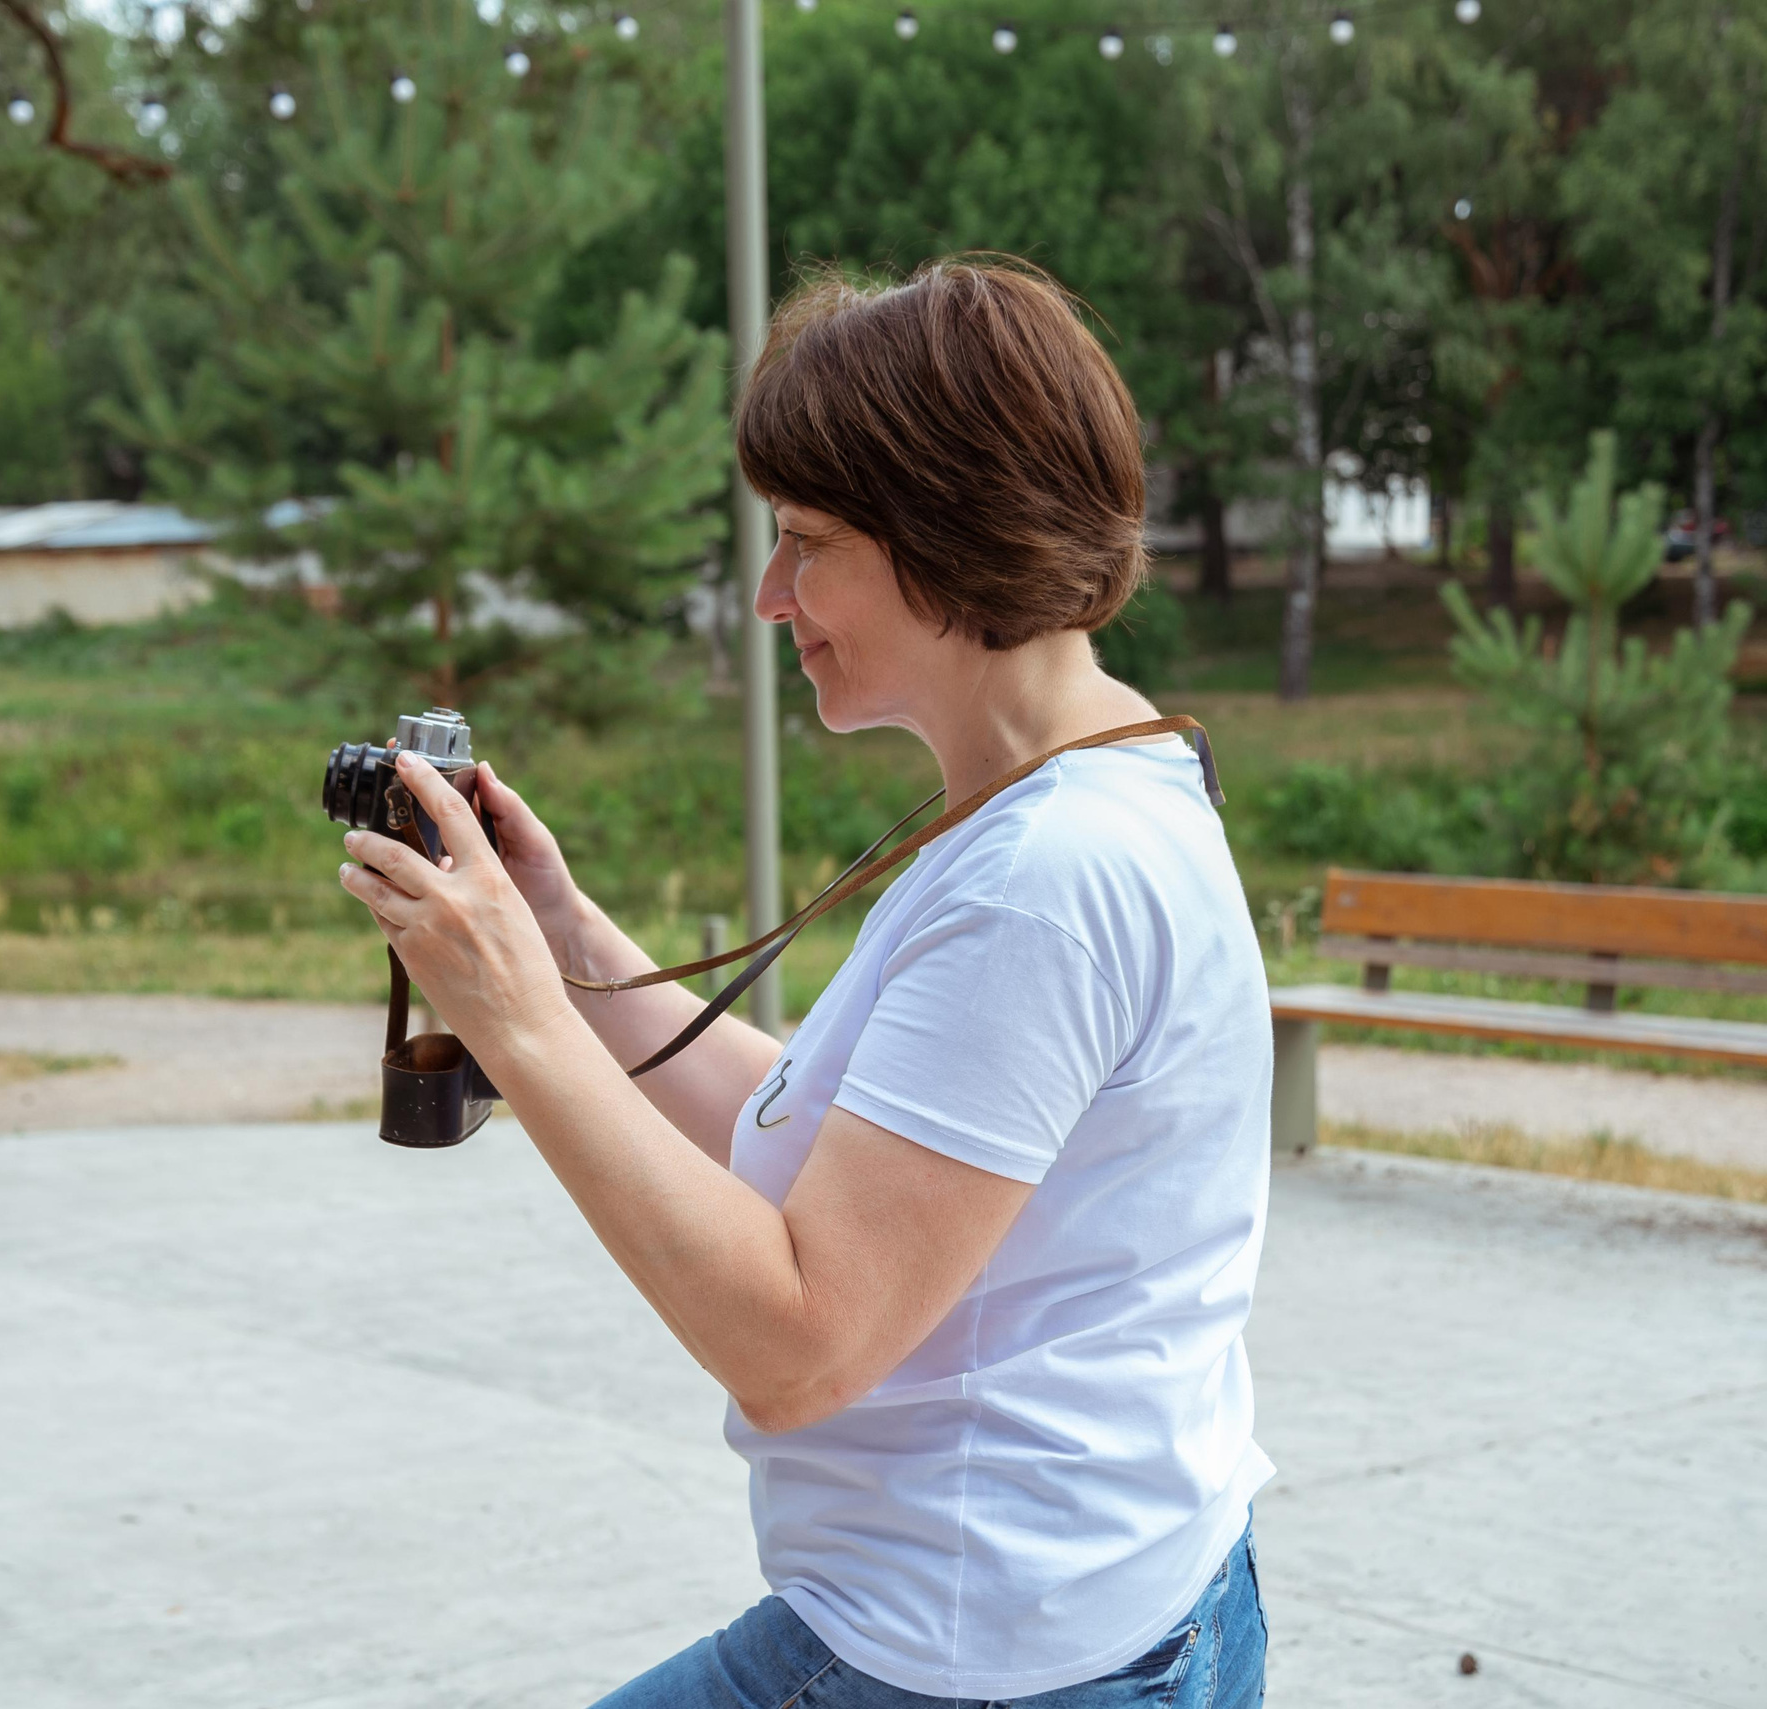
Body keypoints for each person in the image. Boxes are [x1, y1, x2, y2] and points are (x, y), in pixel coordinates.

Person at [336, 257, 1272, 1708]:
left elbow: (800, 1343)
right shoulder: (1091, 782)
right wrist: (572, 944)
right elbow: (832, 1146)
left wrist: (515, 1021)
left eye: (808, 541)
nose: (775, 596)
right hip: (1086, 1608)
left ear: (954, 527)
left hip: (982, 1663)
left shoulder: (1051, 878)